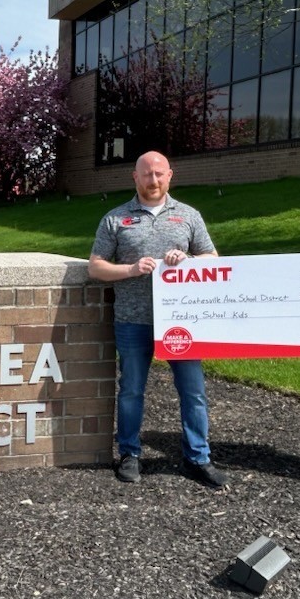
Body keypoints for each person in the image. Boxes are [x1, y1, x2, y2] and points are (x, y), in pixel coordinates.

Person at [89, 151, 227, 488]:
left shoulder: (188, 216)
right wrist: (130, 269)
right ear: (135, 177)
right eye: (147, 174)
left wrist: (190, 259)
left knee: (193, 392)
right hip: (133, 320)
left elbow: (212, 257)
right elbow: (96, 267)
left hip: (180, 322)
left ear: (170, 175)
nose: (153, 180)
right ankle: (130, 454)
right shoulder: (116, 219)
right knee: (131, 390)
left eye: (159, 174)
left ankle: (198, 457)